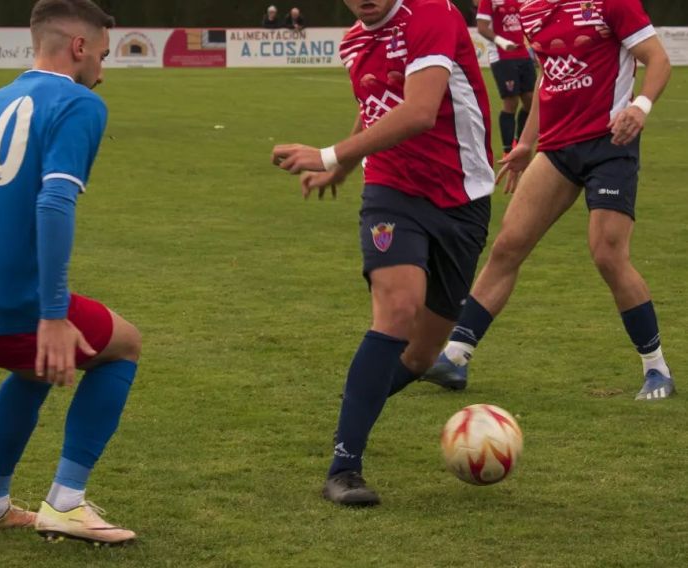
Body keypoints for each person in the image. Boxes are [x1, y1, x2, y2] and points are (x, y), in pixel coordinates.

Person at [0, 0, 141, 546]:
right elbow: (53, 202)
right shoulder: (78, 103)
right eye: (101, 54)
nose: (102, 67)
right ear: (78, 47)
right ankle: (67, 502)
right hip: (6, 303)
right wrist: (50, 314)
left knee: (36, 370)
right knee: (125, 344)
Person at [271, 0, 493, 506]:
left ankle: (356, 405)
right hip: (391, 190)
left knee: (420, 355)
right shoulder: (354, 41)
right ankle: (344, 466)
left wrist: (330, 155)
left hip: (464, 198)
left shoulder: (433, 13)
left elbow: (418, 110)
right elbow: (375, 106)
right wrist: (346, 169)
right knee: (397, 308)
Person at [424, 0, 674, 401]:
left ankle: (656, 367)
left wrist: (640, 107)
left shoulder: (611, 3)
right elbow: (548, 77)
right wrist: (526, 142)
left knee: (608, 253)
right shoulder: (530, 9)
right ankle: (456, 355)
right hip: (557, 148)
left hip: (611, 143)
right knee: (508, 245)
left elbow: (658, 59)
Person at [476, 0, 536, 156]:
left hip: (523, 54)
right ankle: (507, 150)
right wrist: (502, 42)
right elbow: (482, 27)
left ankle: (520, 141)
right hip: (502, 55)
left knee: (531, 100)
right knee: (511, 101)